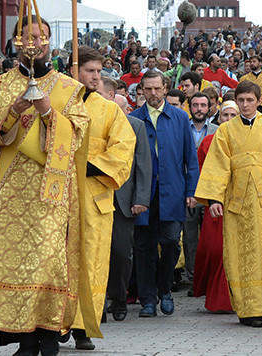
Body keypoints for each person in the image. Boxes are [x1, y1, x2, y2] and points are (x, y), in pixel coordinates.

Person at [0, 17, 89, 356]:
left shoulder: (67, 87)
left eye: (41, 37)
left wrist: (47, 111)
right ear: (17, 41)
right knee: (13, 261)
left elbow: (79, 132)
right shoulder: (0, 85)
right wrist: (13, 109)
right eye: (29, 37)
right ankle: (25, 339)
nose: (35, 42)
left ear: (50, 43)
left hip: (51, 188)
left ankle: (50, 335)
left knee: (49, 259)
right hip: (12, 188)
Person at [194, 81, 262, 328]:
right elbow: (217, 165)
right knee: (236, 253)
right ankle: (244, 307)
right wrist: (214, 198)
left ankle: (260, 308)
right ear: (235, 102)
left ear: (259, 101)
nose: (246, 105)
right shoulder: (226, 131)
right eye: (241, 101)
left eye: (251, 100)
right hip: (235, 201)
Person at [68, 46, 136, 349]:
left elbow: (124, 147)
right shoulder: (59, 103)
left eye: (99, 72)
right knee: (62, 260)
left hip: (95, 194)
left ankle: (85, 327)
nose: (97, 77)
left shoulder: (109, 109)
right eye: (90, 71)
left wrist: (92, 166)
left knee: (93, 261)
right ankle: (59, 322)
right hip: (62, 194)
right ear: (74, 70)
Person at [129, 71, 200, 318]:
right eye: (148, 89)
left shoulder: (180, 117)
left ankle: (165, 289)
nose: (153, 93)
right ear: (142, 89)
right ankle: (148, 299)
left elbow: (190, 157)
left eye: (157, 88)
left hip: (173, 191)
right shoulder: (133, 119)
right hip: (143, 194)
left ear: (166, 88)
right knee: (144, 246)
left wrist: (192, 191)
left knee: (170, 242)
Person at [105, 90, 151, 323]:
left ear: (126, 109)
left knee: (122, 252)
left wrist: (141, 199)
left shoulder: (135, 126)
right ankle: (98, 301)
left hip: (123, 202)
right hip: (96, 196)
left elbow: (143, 164)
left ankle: (119, 297)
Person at [191, 100, 238, 313]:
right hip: (216, 202)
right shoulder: (209, 141)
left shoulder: (247, 141)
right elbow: (200, 169)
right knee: (215, 250)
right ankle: (215, 295)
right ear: (218, 118)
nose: (228, 120)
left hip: (239, 202)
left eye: (233, 116)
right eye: (225, 116)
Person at [182, 92, 217, 289]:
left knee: (209, 236)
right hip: (188, 189)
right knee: (189, 235)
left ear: (210, 108)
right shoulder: (182, 127)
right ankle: (193, 277)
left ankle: (209, 276)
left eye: (203, 105)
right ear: (190, 107)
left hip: (210, 190)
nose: (199, 109)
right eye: (195, 105)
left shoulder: (218, 130)